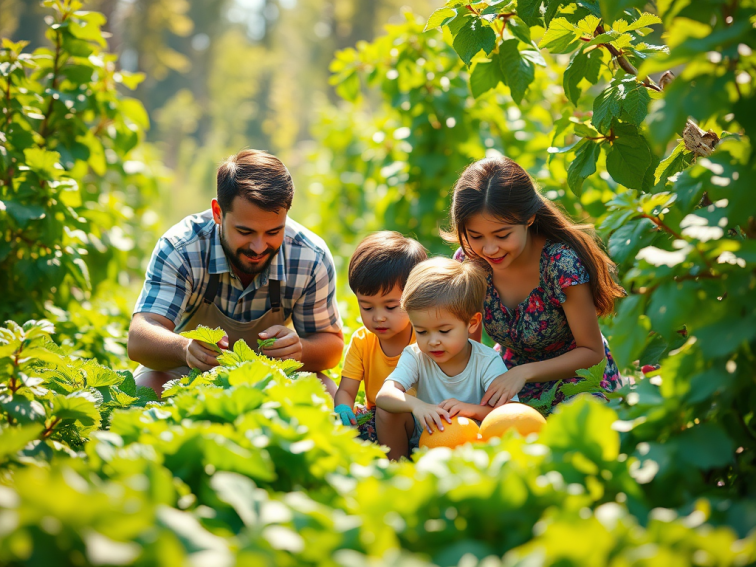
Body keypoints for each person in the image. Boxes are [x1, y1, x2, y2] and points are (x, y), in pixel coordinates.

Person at [128, 149, 343, 397]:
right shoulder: (181, 248)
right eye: (246, 232)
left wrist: (301, 349)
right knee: (144, 393)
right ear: (218, 213)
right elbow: (139, 338)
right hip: (188, 372)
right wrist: (185, 348)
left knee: (327, 396)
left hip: (270, 376)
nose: (259, 247)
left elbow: (332, 347)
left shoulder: (309, 257)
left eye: (273, 232)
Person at [447, 156, 625, 413]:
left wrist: (524, 373)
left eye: (502, 235)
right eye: (475, 236)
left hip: (576, 379)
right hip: (508, 376)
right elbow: (468, 348)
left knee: (573, 426)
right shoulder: (470, 264)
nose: (489, 248)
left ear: (529, 218)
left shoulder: (560, 264)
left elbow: (591, 352)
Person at [375, 257, 517, 460]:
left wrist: (472, 410)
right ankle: (397, 467)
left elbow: (510, 413)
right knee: (387, 411)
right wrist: (418, 406)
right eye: (422, 331)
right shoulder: (415, 356)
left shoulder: (487, 360)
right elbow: (384, 395)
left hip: (474, 446)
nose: (433, 341)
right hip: (425, 441)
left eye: (444, 331)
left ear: (472, 323)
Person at [333, 231, 427, 443]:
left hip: (422, 417)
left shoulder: (425, 339)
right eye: (366, 307)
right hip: (378, 417)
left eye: (390, 307)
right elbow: (346, 391)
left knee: (390, 413)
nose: (378, 317)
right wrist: (343, 408)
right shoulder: (362, 341)